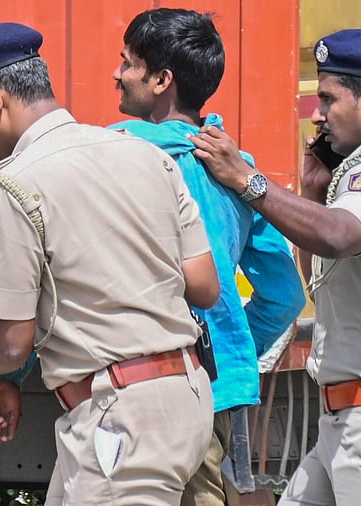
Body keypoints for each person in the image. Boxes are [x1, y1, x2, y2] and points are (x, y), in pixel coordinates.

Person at [0, 22, 218, 505]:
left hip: (119, 416)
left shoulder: (12, 184)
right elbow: (204, 286)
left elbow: (11, 343)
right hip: (185, 398)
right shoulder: (147, 155)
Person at [190, 29, 361, 506]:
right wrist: (314, 193)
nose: (317, 115)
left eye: (329, 99)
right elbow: (325, 275)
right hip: (357, 421)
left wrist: (248, 180)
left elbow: (340, 235)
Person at [108, 8, 306, 506]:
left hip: (132, 385)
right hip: (214, 390)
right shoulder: (237, 170)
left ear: (161, 80)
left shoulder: (111, 156)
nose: (117, 73)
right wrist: (223, 347)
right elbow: (284, 295)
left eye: (128, 63)